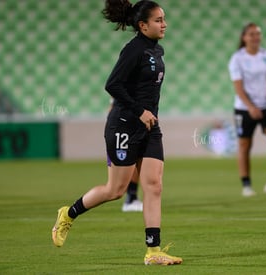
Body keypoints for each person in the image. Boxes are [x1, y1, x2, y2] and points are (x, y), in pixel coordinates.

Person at [51, 0, 182, 265]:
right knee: (115, 190)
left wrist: (148, 115)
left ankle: (153, 251)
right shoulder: (133, 50)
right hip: (124, 125)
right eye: (158, 20)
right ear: (142, 25)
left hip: (150, 127)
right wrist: (138, 110)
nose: (164, 24)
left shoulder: (158, 50)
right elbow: (113, 84)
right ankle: (68, 214)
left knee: (154, 186)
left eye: (163, 19)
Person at [228, 22, 266, 197]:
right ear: (244, 37)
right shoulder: (237, 58)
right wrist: (250, 107)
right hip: (244, 108)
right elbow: (238, 88)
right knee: (244, 146)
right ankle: (246, 185)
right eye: (251, 34)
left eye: (258, 34)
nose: (255, 37)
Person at [108, 97, 143, 212]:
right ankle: (131, 197)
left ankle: (132, 197)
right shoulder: (122, 86)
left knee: (137, 159)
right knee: (115, 191)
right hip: (122, 127)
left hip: (136, 125)